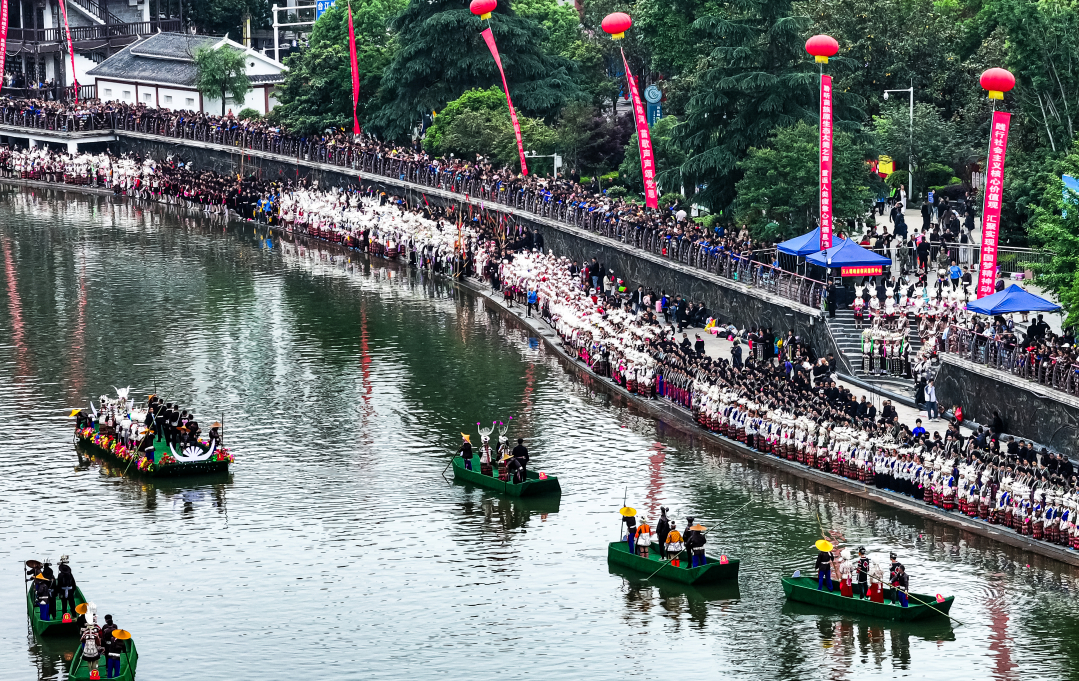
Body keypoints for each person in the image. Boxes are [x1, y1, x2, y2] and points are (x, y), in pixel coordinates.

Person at [80, 606, 103, 677]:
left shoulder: (85, 632)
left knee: (89, 661)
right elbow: (98, 641)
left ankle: (90, 673)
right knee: (95, 660)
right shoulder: (96, 632)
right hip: (94, 649)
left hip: (87, 649)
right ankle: (95, 671)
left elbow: (82, 640)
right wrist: (99, 647)